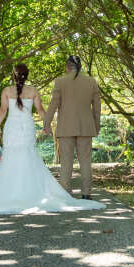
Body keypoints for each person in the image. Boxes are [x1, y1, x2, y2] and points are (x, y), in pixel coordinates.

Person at [0, 63, 104, 216]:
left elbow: (3, 110)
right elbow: (41, 110)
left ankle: (11, 191)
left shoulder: (6, 90)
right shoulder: (33, 90)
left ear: (13, 76)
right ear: (26, 76)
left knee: (11, 156)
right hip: (27, 127)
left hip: (12, 127)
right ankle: (31, 191)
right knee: (28, 155)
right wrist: (46, 125)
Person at [42, 55, 101, 199]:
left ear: (67, 67)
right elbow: (97, 108)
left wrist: (46, 123)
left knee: (66, 162)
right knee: (86, 161)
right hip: (86, 127)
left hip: (66, 127)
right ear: (80, 66)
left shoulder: (60, 82)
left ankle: (66, 194)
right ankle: (86, 194)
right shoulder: (91, 81)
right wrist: (96, 126)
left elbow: (53, 104)